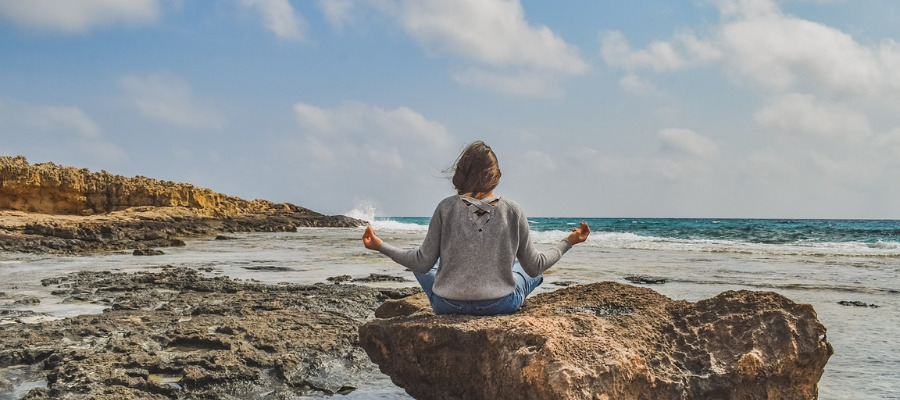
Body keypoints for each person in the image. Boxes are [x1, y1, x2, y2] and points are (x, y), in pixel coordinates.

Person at [362, 141, 590, 316]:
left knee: (421, 258)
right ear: (495, 174)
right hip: (499, 305)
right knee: (527, 269)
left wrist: (380, 245)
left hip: (447, 305)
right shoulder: (513, 210)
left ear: (461, 172)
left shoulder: (445, 208)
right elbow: (536, 265)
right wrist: (569, 241)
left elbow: (422, 263)